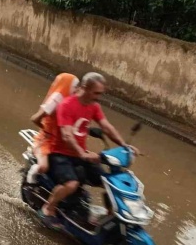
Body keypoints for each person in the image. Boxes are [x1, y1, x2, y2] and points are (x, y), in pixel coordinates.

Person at [39, 72, 139, 229]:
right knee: (72, 184)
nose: (99, 97)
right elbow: (67, 135)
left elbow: (106, 126)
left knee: (109, 181)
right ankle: (48, 208)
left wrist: (124, 145)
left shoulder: (94, 106)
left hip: (81, 154)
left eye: (101, 93)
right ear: (85, 88)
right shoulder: (66, 105)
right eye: (96, 93)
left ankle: (110, 214)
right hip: (60, 154)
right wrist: (82, 153)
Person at [26, 73, 79, 184]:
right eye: (75, 86)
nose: (77, 89)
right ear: (67, 85)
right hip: (47, 140)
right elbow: (35, 118)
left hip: (62, 141)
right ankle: (31, 176)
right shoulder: (56, 99)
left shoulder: (72, 101)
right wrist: (47, 130)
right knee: (44, 167)